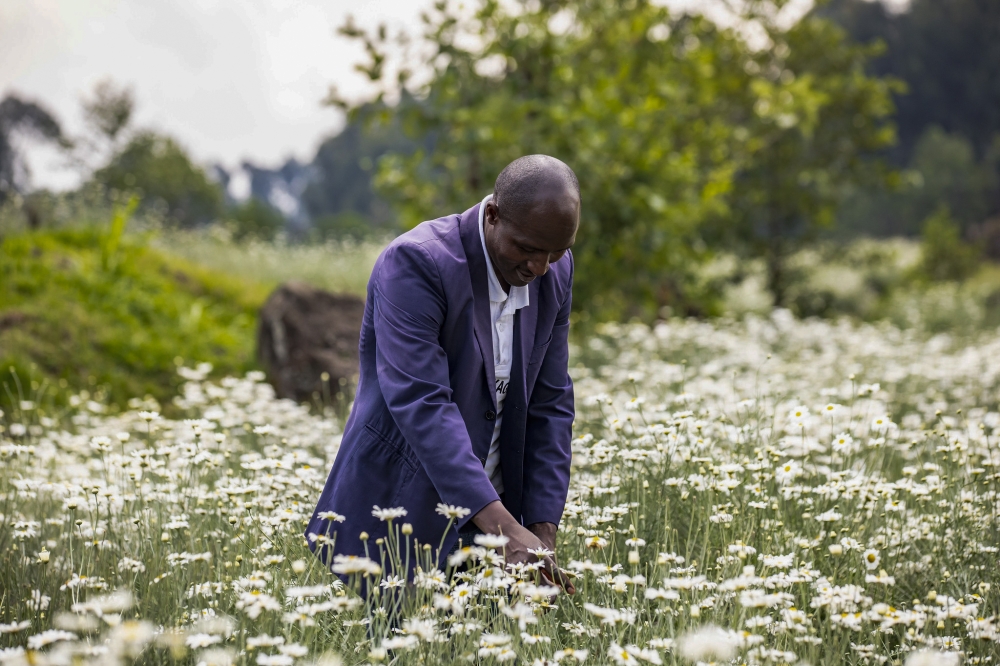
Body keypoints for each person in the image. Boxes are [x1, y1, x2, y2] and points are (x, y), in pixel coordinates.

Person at [305, 154, 578, 590]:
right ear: (492, 215)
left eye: (556, 251)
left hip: (496, 529)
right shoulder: (416, 264)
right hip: (396, 522)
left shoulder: (554, 271)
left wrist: (541, 532)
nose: (540, 268)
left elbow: (551, 402)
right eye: (527, 249)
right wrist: (504, 530)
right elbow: (423, 404)